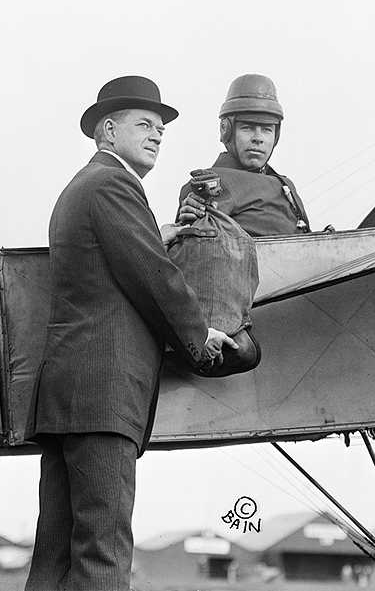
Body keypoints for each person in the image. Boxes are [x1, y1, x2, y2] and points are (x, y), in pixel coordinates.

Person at [25, 75, 236, 591]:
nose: (158, 134)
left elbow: (123, 259)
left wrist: (160, 232)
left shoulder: (88, 185)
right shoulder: (114, 184)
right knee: (103, 553)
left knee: (55, 559)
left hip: (72, 399)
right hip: (102, 396)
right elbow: (151, 275)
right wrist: (199, 336)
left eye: (161, 128)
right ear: (107, 131)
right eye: (145, 123)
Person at [176, 74, 311, 237]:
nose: (258, 138)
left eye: (267, 129)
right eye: (247, 128)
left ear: (276, 136)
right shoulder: (213, 183)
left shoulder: (285, 184)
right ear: (227, 130)